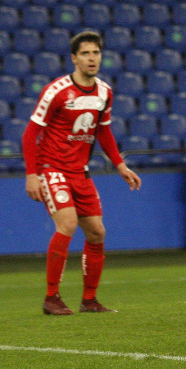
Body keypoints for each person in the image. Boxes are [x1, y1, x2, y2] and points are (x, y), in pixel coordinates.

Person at [22, 31, 142, 315]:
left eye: (96, 53)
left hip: (81, 172)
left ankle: (89, 300)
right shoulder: (56, 90)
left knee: (97, 232)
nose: (92, 58)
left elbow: (103, 131)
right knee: (67, 223)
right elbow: (30, 134)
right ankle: (52, 297)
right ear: (74, 58)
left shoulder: (104, 92)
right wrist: (31, 174)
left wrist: (120, 165)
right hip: (52, 168)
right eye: (86, 53)